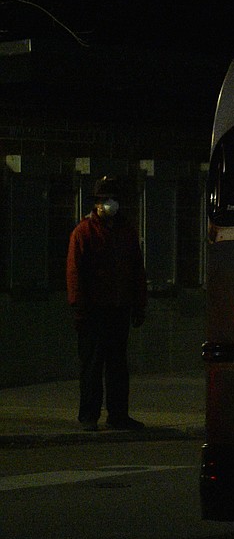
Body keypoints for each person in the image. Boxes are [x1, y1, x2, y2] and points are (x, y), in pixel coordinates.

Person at [66, 176, 148, 430]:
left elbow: (136, 270)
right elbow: (75, 272)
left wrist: (138, 304)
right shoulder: (84, 232)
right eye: (104, 200)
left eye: (112, 200)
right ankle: (89, 415)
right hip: (93, 310)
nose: (109, 205)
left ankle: (118, 414)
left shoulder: (126, 232)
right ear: (97, 204)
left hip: (118, 307)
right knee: (92, 366)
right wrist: (80, 308)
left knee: (117, 366)